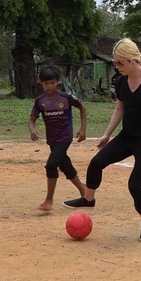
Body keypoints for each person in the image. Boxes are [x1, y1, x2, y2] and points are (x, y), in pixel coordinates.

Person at [62, 38, 141, 243]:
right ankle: (89, 199)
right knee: (96, 163)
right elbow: (120, 109)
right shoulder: (121, 82)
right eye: (115, 63)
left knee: (135, 184)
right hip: (127, 137)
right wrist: (107, 134)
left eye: (120, 63)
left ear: (132, 60)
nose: (117, 66)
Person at [29, 65, 87, 212]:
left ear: (58, 82)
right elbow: (32, 119)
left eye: (52, 83)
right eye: (46, 83)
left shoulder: (66, 97)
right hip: (52, 139)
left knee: (51, 165)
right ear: (41, 83)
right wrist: (32, 129)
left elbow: (82, 107)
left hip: (65, 137)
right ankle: (84, 191)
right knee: (64, 164)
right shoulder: (39, 101)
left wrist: (83, 129)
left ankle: (49, 199)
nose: (50, 86)